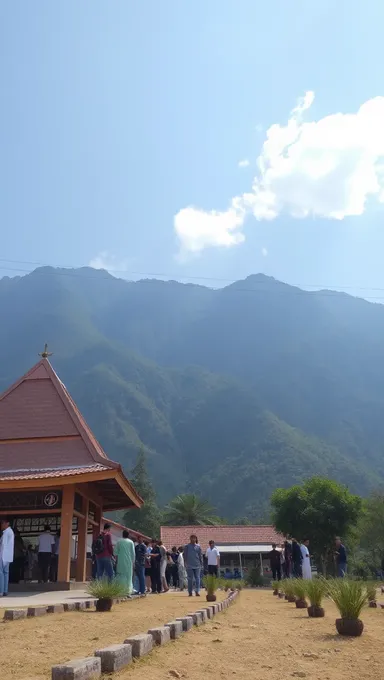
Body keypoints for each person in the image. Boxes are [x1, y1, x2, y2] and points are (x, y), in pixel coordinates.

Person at [115, 530, 135, 594]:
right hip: (129, 562)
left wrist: (116, 560)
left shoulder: (119, 542)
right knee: (129, 577)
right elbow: (133, 553)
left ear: (122, 534)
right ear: (128, 535)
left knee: (121, 576)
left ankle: (121, 590)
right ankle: (128, 591)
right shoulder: (131, 542)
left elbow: (115, 553)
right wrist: (133, 562)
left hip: (120, 562)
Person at [0, 518, 14, 596]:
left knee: (1, 573)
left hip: (3, 555)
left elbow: (3, 545)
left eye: (2, 523)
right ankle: (5, 590)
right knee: (5, 573)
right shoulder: (10, 532)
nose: (1, 525)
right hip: (8, 556)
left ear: (7, 523)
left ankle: (1, 591)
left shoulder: (6, 532)